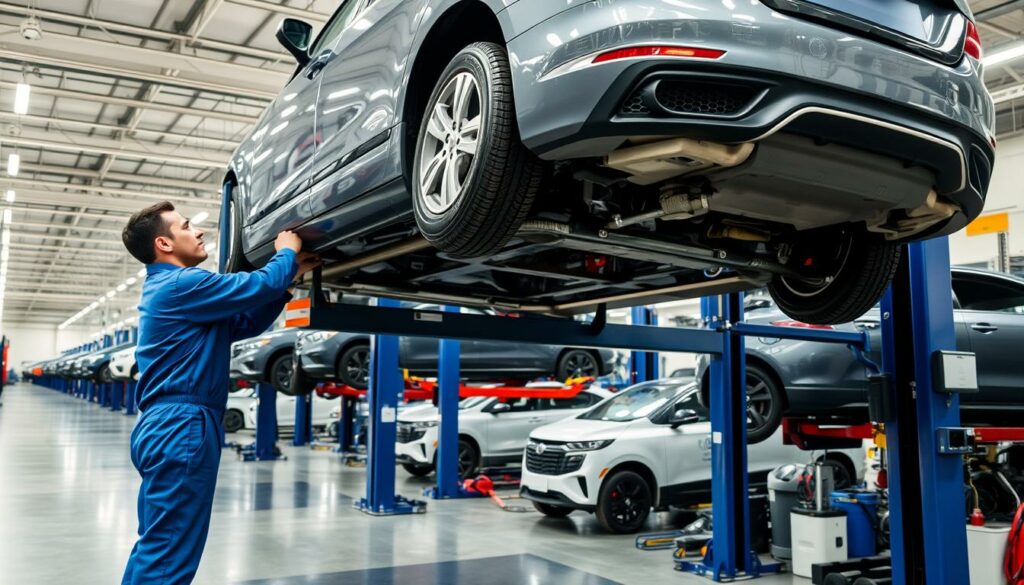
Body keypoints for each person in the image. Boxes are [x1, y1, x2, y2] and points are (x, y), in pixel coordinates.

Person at [119, 201, 319, 584]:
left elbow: (242, 323)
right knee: (168, 555)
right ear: (163, 243)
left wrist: (287, 282)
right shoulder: (181, 284)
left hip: (168, 424)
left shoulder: (171, 290)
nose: (197, 231)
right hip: (181, 425)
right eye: (186, 226)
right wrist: (285, 254)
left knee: (159, 545)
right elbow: (257, 285)